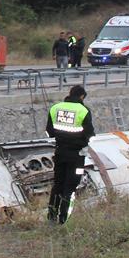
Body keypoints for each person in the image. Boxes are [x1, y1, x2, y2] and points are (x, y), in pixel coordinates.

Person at [45, 85, 96, 223]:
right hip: (77, 156)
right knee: (71, 187)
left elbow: (49, 132)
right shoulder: (83, 110)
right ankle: (63, 219)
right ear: (82, 96)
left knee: (58, 185)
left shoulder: (55, 108)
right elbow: (90, 134)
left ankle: (51, 217)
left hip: (60, 153)